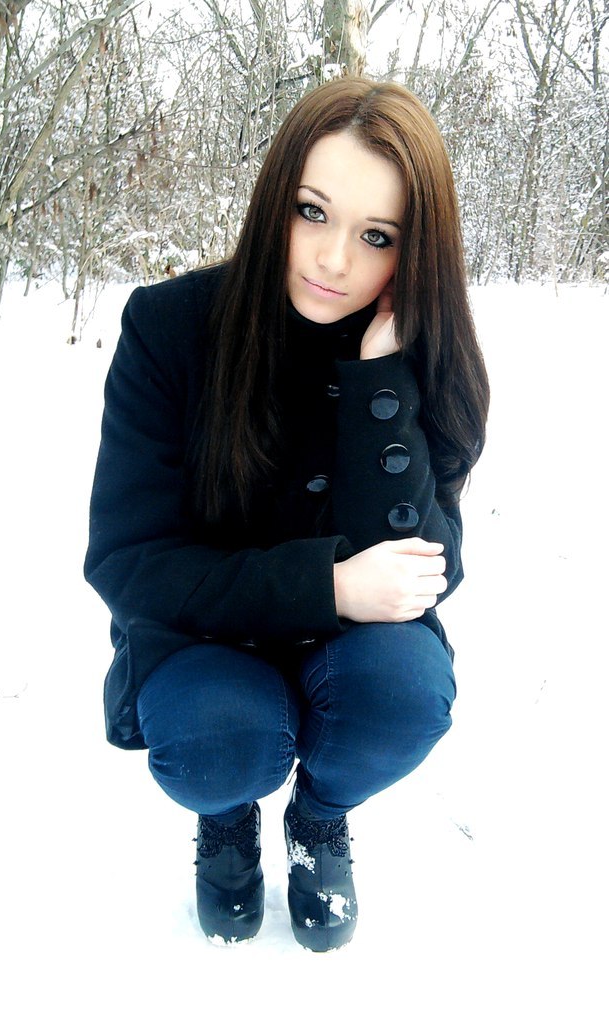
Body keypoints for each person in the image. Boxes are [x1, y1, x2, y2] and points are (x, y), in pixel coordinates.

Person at [84, 76, 490, 952]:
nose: (333, 260)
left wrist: (380, 390)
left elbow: (428, 566)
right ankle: (228, 816)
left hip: (354, 650)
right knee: (214, 738)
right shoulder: (170, 327)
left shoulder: (419, 351)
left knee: (405, 696)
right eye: (312, 212)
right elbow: (127, 560)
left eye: (376, 236)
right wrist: (328, 586)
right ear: (276, 198)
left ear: (413, 251)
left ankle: (318, 816)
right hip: (201, 637)